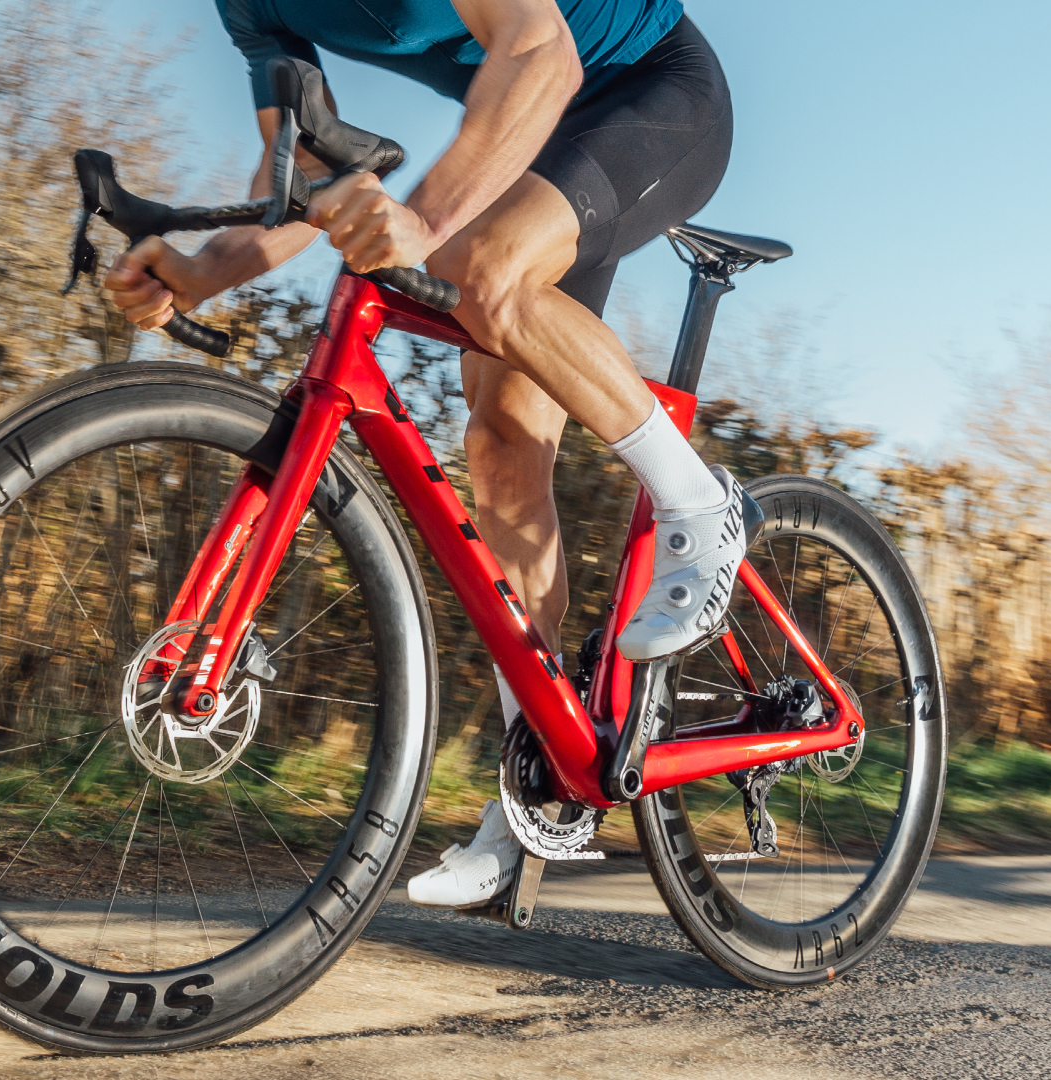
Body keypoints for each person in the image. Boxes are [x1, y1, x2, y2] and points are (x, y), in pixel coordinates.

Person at [104, 0, 746, 910]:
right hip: (540, 135)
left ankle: (699, 503)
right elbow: (308, 171)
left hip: (652, 93)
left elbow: (540, 51)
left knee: (484, 272)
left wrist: (424, 219)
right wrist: (201, 269)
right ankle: (539, 793)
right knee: (500, 445)